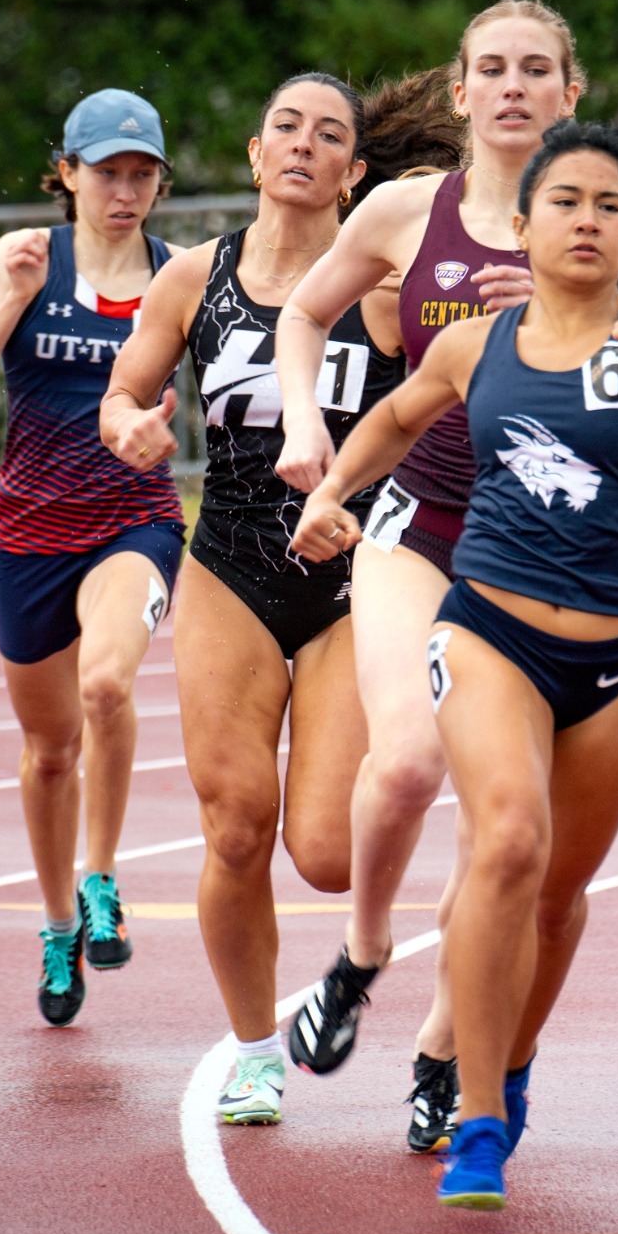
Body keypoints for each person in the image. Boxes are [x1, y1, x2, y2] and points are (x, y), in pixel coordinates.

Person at [290, 121, 618, 1207]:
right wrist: (326, 495)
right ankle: (478, 1118)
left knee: (555, 894)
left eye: (606, 205)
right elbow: (397, 417)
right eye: (565, 201)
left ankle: (514, 1063)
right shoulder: (475, 344)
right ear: (528, 224)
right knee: (504, 839)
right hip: (486, 630)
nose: (586, 220)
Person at [271, 0, 618, 1155]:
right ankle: (360, 952)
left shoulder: (612, 226)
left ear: (567, 94)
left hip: (551, 550)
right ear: (458, 93)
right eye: (488, 68)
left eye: (532, 69)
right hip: (425, 520)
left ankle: (446, 1048)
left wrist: (561, 320)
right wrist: (311, 444)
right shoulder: (405, 209)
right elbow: (304, 312)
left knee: (512, 839)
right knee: (403, 762)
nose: (509, 87)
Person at [101, 72, 424, 1126]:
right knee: (235, 826)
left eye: (327, 135)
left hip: (348, 580)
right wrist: (130, 427)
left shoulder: (377, 285)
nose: (302, 145)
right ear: (251, 153)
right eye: (284, 127)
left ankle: (362, 947)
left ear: (354, 171)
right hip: (229, 567)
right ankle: (252, 1053)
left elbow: (447, 392)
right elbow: (122, 393)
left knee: (324, 850)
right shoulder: (195, 277)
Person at [0, 90, 184, 1026]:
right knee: (47, 750)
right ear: (67, 172)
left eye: (142, 174)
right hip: (31, 533)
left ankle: (103, 875)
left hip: (135, 520)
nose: (125, 192)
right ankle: (55, 921)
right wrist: (9, 298)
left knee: (108, 684)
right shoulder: (25, 257)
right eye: (107, 172)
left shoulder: (176, 274)